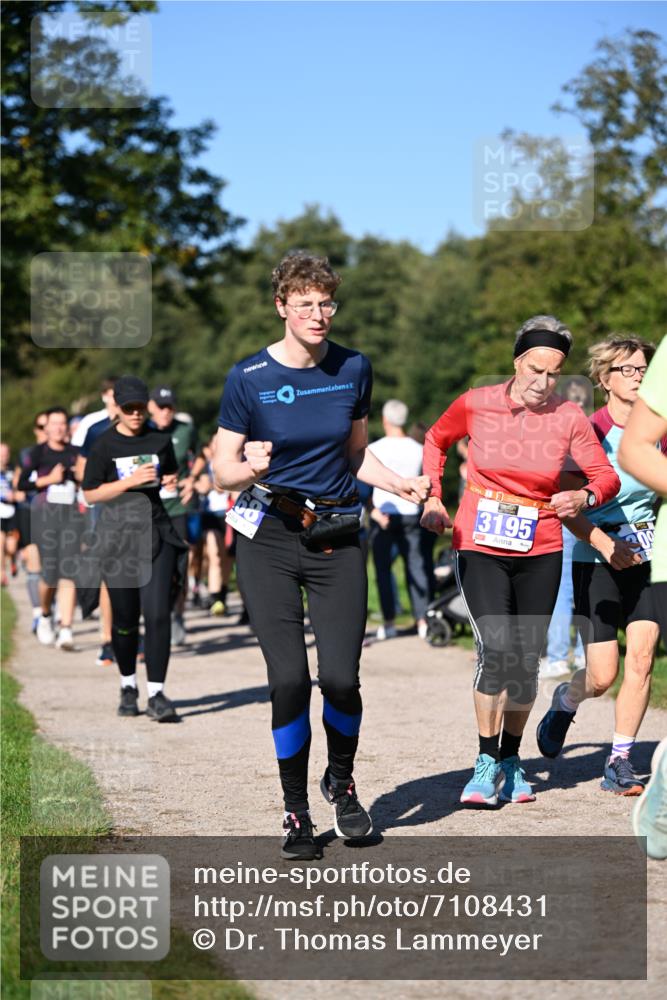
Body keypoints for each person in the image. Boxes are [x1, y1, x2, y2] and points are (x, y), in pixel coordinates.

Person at [213, 251, 429, 859]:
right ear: (280, 306)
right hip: (270, 538)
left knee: (339, 678)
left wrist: (401, 484)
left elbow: (357, 453)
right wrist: (246, 468)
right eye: (304, 303)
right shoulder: (248, 377)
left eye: (325, 302)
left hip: (336, 537)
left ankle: (342, 781)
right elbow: (222, 465)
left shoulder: (354, 368)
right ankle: (296, 810)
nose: (317, 313)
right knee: (287, 680)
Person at [421, 315, 620, 806]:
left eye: (553, 373)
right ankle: (485, 761)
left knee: (526, 663)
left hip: (541, 544)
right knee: (499, 650)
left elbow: (605, 475)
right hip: (480, 541)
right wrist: (432, 497)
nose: (543, 381)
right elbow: (435, 441)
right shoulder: (477, 402)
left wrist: (585, 497)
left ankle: (511, 760)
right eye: (535, 369)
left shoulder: (569, 417)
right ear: (516, 362)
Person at [537, 337, 664, 795]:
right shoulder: (586, 431)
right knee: (602, 675)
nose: (639, 376)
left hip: (650, 556)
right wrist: (608, 545)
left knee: (644, 656)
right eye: (628, 369)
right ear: (604, 378)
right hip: (597, 555)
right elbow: (567, 509)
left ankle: (620, 761)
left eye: (645, 369)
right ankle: (566, 701)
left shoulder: (662, 431)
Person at [82, 375, 188, 721]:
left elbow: (170, 473)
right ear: (117, 407)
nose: (136, 414)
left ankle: (157, 693)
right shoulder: (103, 444)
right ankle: (128, 685)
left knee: (158, 615)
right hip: (118, 539)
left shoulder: (160, 440)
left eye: (141, 408)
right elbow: (91, 493)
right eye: (129, 409)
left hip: (156, 532)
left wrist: (171, 481)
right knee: (125, 620)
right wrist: (128, 483)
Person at [538, 376, 592, 679]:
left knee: (562, 589)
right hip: (592, 512)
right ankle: (585, 654)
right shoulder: (595, 430)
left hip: (562, 513)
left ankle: (559, 655)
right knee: (585, 585)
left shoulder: (557, 430)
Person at [369, 399, 434, 640]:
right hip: (410, 513)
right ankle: (422, 621)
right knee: (416, 568)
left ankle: (389, 622)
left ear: (385, 420)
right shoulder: (418, 449)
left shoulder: (374, 448)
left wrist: (372, 511)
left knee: (383, 570)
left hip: (383, 514)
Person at [18, 407, 81, 650]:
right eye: (54, 423)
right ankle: (45, 615)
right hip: (45, 518)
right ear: (46, 428)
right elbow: (23, 483)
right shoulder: (36, 453)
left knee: (69, 572)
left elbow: (87, 480)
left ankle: (66, 628)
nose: (58, 428)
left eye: (62, 423)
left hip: (71, 517)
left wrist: (78, 476)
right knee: (49, 574)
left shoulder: (75, 454)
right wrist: (48, 480)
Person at [147, 385, 198, 645]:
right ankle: (153, 618)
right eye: (161, 407)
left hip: (177, 508)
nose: (166, 412)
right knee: (152, 565)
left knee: (180, 564)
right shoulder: (142, 431)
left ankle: (177, 613)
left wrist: (192, 479)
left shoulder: (184, 430)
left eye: (170, 407)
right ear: (151, 407)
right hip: (150, 510)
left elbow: (200, 455)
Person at [13, 412, 48, 631]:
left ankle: (50, 609)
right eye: (42, 427)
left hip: (58, 513)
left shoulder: (65, 452)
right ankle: (39, 613)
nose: (47, 430)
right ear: (36, 430)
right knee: (36, 566)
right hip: (31, 512)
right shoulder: (27, 454)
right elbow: (18, 486)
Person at [1, 443, 19, 586]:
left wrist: (16, 495)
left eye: (5, 454)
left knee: (11, 547)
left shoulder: (13, 470)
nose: (3, 457)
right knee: (0, 541)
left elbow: (20, 487)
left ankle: (12, 559)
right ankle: (2, 573)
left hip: (12, 512)